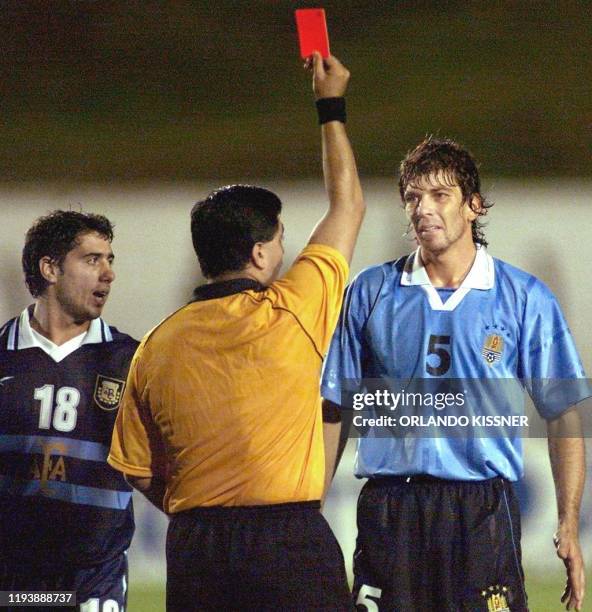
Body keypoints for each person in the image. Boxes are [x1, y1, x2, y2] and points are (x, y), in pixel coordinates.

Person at [107, 51, 365, 612]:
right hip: (288, 539)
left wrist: (199, 511)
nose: (283, 249)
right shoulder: (295, 306)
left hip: (197, 547)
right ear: (257, 253)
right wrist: (330, 106)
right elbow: (347, 203)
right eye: (277, 239)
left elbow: (136, 468)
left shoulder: (156, 345)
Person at [321, 136, 589, 611]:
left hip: (481, 512)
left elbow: (563, 412)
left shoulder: (523, 297)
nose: (423, 209)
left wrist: (568, 521)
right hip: (390, 511)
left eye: (440, 196)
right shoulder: (371, 292)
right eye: (413, 198)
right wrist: (313, 504)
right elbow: (334, 408)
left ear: (474, 206)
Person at [0, 211, 138, 612]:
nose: (108, 273)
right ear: (50, 268)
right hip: (14, 577)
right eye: (92, 259)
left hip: (95, 578)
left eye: (110, 260)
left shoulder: (132, 361)